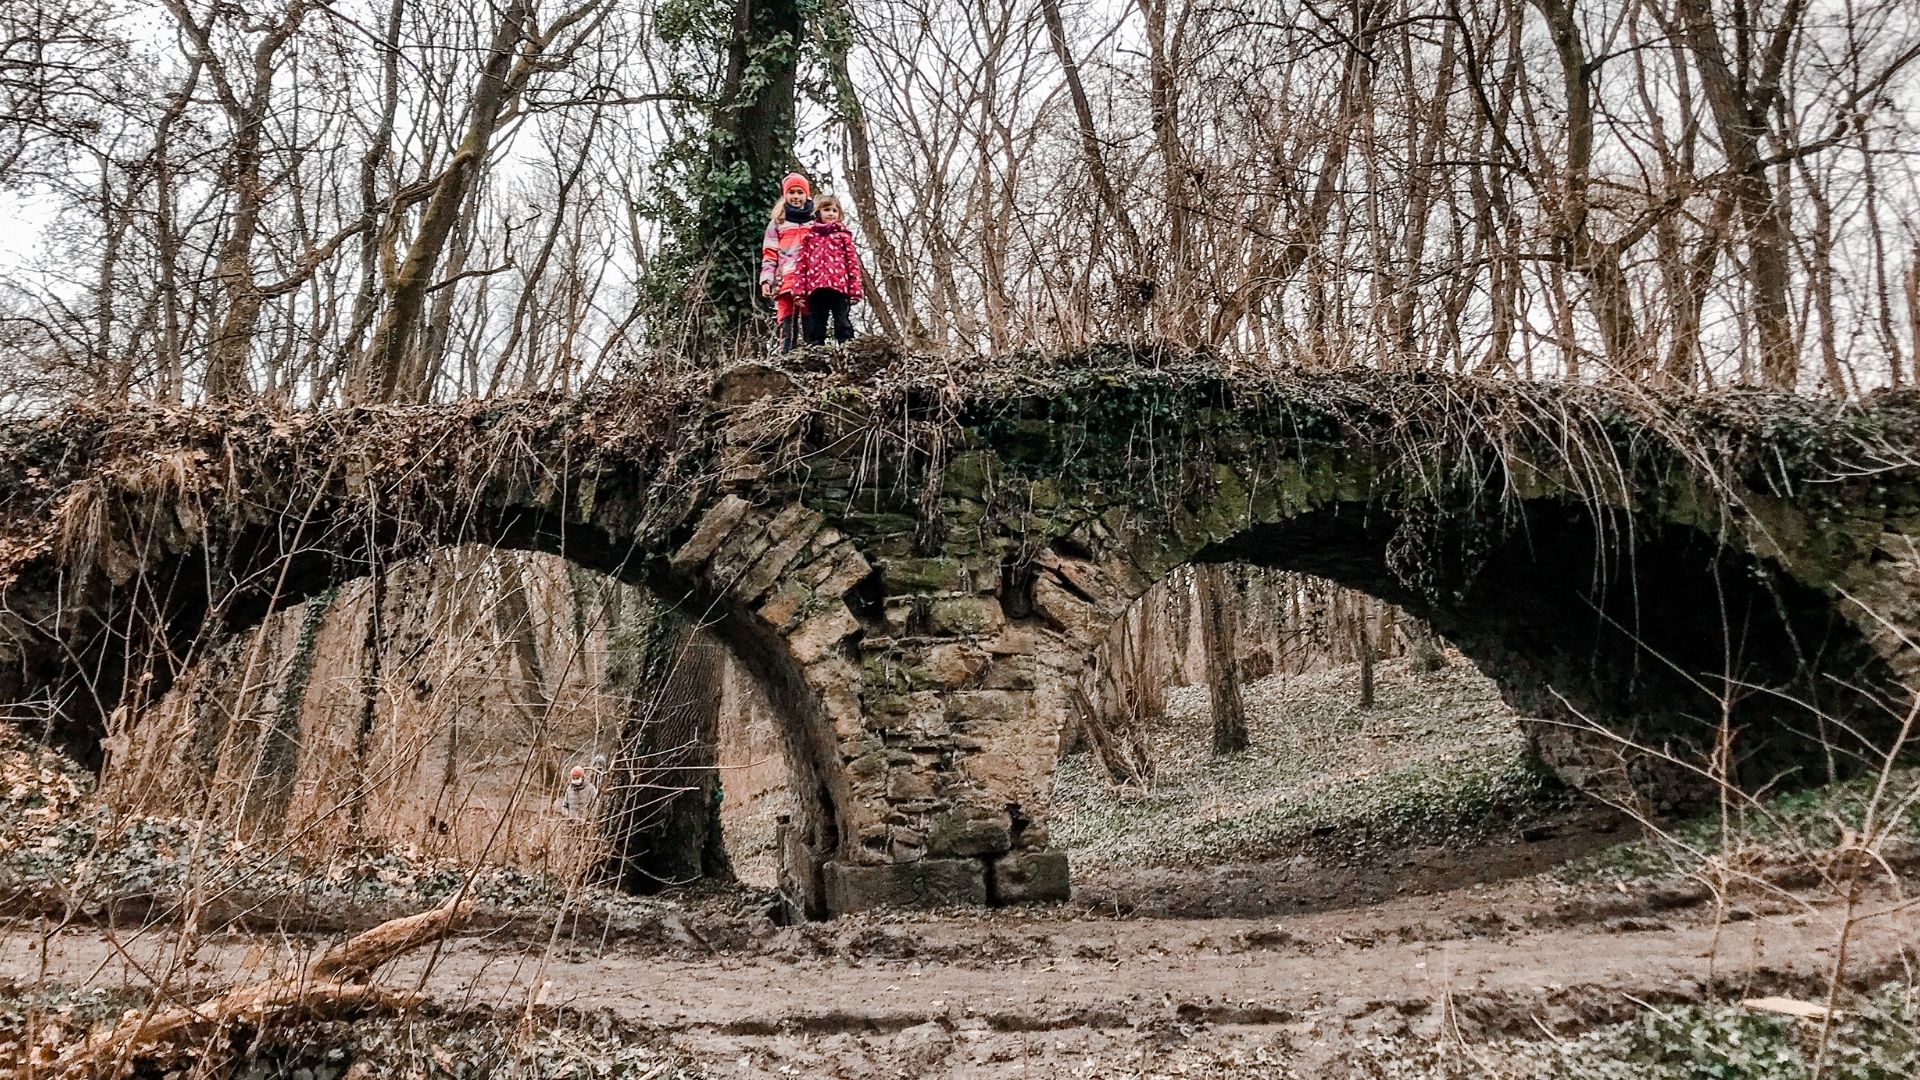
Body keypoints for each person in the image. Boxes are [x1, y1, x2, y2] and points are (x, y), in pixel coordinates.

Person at [792, 195, 863, 346]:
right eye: (826, 210)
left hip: (839, 288)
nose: (831, 213)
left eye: (834, 210)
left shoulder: (843, 237)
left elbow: (852, 265)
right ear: (818, 212)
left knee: (842, 322)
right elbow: (801, 266)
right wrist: (799, 292)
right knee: (816, 323)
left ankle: (848, 350)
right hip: (816, 288)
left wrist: (855, 290)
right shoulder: (809, 238)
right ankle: (815, 353)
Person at [759, 173, 815, 353]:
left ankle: (811, 350)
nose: (796, 196)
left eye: (800, 192)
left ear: (806, 194)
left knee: (810, 315)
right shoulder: (777, 223)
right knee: (786, 315)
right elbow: (769, 254)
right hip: (785, 279)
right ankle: (786, 350)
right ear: (785, 195)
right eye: (792, 192)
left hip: (809, 279)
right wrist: (767, 279)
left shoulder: (814, 222)